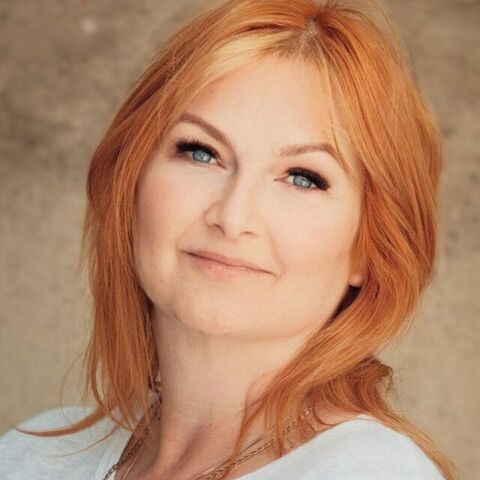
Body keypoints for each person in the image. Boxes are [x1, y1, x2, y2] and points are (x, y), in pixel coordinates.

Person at [0, 0, 458, 479]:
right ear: (130, 181)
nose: (232, 216)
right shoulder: (32, 456)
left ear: (369, 246)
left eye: (302, 177)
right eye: (201, 152)